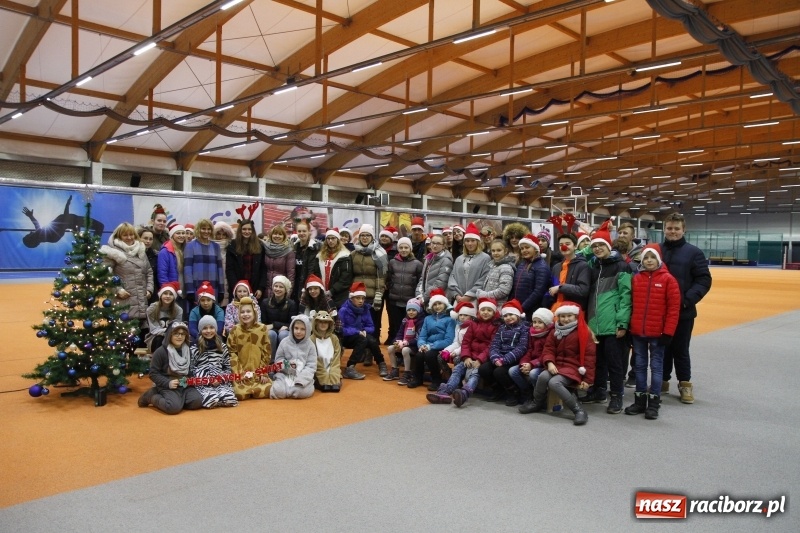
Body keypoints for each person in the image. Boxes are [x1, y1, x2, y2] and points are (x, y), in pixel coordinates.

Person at [625, 244, 681, 420]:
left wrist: (668, 332)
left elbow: (673, 309)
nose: (649, 261)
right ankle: (640, 400)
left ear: (659, 259)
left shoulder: (668, 280)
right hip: (638, 332)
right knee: (639, 366)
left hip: (658, 334)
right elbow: (631, 304)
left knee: (656, 367)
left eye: (652, 257)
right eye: (646, 258)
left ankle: (654, 402)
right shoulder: (637, 279)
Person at [660, 212, 712, 403]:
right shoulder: (657, 251)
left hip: (684, 311)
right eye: (669, 228)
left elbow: (704, 279)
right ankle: (662, 381)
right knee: (661, 348)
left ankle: (685, 384)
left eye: (676, 229)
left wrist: (686, 300)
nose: (672, 232)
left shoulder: (694, 252)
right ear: (664, 229)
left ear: (683, 230)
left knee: (680, 349)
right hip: (660, 312)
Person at [582, 221, 632, 414]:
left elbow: (626, 297)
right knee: (598, 361)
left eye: (601, 245)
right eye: (594, 246)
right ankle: (599, 390)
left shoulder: (621, 266)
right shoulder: (592, 266)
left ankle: (617, 396)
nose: (597, 249)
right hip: (595, 323)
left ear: (609, 246)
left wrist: (622, 322)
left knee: (614, 362)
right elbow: (580, 255)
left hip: (613, 323)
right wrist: (591, 241)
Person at [526, 302, 596, 426]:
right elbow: (548, 349)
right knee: (542, 376)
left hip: (574, 368)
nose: (566, 319)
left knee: (554, 382)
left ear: (576, 316)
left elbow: (590, 358)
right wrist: (549, 363)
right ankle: (537, 403)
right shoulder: (554, 331)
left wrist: (588, 379)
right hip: (557, 365)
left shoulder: (583, 332)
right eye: (562, 316)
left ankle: (578, 410)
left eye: (569, 315)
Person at [137, 322, 203, 414]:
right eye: (176, 334)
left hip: (184, 385)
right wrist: (167, 383)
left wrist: (190, 380)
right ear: (169, 335)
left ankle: (177, 400)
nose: (179, 337)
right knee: (173, 408)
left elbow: (190, 370)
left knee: (197, 401)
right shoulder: (161, 352)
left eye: (182, 334)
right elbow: (153, 373)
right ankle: (152, 396)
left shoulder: (188, 350)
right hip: (168, 385)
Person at [100, 222, 153, 334]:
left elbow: (149, 272)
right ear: (119, 236)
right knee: (124, 340)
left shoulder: (141, 250)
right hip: (123, 301)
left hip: (141, 301)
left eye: (131, 234)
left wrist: (149, 289)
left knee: (141, 339)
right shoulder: (112, 252)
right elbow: (105, 273)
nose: (129, 238)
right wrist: (118, 289)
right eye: (125, 235)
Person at [449, 297, 501, 407]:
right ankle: (446, 390)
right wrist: (466, 357)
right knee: (457, 369)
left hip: (482, 358)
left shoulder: (496, 326)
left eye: (489, 310)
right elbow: (466, 342)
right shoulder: (473, 324)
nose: (485, 312)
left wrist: (479, 359)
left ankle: (465, 393)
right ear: (479, 311)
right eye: (483, 310)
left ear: (494, 312)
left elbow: (492, 346)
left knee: (475, 374)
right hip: (470, 356)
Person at [478, 299, 530, 406]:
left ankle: (513, 392)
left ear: (518, 315)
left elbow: (522, 348)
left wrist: (505, 359)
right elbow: (494, 345)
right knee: (483, 369)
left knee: (499, 372)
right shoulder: (501, 328)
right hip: (499, 357)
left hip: (514, 358)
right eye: (505, 316)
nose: (508, 317)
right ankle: (498, 389)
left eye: (511, 314)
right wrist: (495, 357)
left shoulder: (524, 328)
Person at [350, 223, 388, 359]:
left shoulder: (380, 253)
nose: (365, 238)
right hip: (357, 294)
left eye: (367, 235)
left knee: (373, 324)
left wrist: (379, 293)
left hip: (373, 295)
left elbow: (382, 276)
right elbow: (351, 275)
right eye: (362, 235)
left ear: (372, 237)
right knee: (358, 323)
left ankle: (370, 352)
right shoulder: (354, 253)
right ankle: (361, 349)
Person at [426, 301, 474, 403]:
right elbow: (456, 342)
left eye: (465, 315)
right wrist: (447, 350)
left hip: (467, 352)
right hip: (458, 349)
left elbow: (467, 344)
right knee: (440, 356)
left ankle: (458, 384)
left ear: (471, 316)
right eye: (460, 315)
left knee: (457, 360)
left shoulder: (472, 327)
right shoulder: (458, 326)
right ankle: (448, 377)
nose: (462, 317)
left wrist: (456, 352)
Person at [227, 296, 272, 400]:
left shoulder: (262, 329)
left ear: (254, 313)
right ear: (239, 314)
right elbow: (231, 353)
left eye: (248, 311)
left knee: (268, 390)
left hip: (257, 373)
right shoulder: (234, 330)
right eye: (242, 312)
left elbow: (267, 352)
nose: (245, 314)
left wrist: (263, 372)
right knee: (239, 394)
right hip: (242, 374)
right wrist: (239, 373)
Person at [339, 282, 387, 379]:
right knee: (363, 340)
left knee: (373, 341)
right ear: (351, 298)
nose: (361, 301)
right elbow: (340, 329)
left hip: (361, 334)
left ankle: (381, 363)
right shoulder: (343, 310)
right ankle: (350, 367)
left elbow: (371, 326)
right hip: (346, 337)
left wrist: (365, 330)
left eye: (363, 298)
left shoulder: (366, 309)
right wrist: (357, 332)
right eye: (358, 298)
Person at [409, 288, 455, 390]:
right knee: (419, 354)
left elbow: (448, 339)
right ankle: (418, 378)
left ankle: (436, 380)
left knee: (430, 355)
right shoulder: (427, 319)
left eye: (440, 303)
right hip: (427, 345)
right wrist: (421, 345)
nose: (437, 306)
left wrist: (431, 346)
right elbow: (422, 336)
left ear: (445, 304)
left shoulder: (450, 320)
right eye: (435, 304)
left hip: (442, 346)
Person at [189, 315, 238, 408]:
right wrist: (205, 379)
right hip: (203, 382)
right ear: (200, 330)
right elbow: (191, 368)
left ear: (215, 329)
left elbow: (227, 367)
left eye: (211, 327)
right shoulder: (195, 348)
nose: (208, 331)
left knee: (229, 400)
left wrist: (220, 378)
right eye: (205, 328)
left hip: (220, 380)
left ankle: (222, 395)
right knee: (212, 400)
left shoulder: (222, 346)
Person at [21, 194, 105, 248]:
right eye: (29, 235)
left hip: (74, 222)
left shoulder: (42, 234)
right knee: (100, 226)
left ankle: (93, 247)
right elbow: (65, 219)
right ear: (32, 238)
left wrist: (31, 216)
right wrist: (67, 205)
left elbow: (36, 225)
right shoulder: (51, 236)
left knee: (99, 227)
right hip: (75, 221)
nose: (30, 232)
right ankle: (93, 247)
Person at [514, 308, 555, 413]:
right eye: (535, 322)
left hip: (543, 364)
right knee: (513, 371)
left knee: (533, 374)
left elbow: (547, 354)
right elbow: (529, 350)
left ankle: (540, 398)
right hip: (531, 363)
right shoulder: (532, 333)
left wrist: (531, 365)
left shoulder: (551, 334)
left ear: (546, 323)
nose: (536, 325)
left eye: (540, 322)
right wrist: (524, 363)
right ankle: (529, 394)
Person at [385, 237, 423, 345]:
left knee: (409, 327)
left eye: (406, 247)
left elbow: (420, 280)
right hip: (395, 300)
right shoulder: (392, 262)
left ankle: (407, 348)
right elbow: (388, 277)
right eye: (401, 247)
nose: (403, 250)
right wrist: (390, 286)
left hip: (409, 302)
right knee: (396, 326)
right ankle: (397, 350)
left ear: (410, 249)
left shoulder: (417, 264)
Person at [270, 315, 317, 399]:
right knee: (278, 391)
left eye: (303, 329)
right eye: (296, 328)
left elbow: (311, 366)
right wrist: (287, 365)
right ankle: (285, 390)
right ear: (292, 328)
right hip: (285, 374)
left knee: (301, 392)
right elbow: (278, 359)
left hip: (302, 377)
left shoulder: (310, 345)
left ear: (308, 330)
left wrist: (301, 378)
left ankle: (293, 390)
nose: (298, 331)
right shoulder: (284, 342)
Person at [447, 223, 492, 304]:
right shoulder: (459, 259)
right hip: (459, 299)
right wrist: (456, 295)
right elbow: (452, 277)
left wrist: (469, 295)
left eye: (472, 240)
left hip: (475, 300)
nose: (470, 243)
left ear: (477, 242)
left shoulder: (485, 258)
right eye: (467, 241)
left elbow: (484, 279)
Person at [184, 218, 224, 309]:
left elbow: (220, 269)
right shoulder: (190, 246)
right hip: (196, 287)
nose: (206, 231)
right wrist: (189, 290)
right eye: (203, 228)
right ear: (198, 229)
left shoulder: (215, 246)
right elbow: (187, 269)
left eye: (209, 229)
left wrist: (221, 290)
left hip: (213, 286)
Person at [384, 298, 425, 384]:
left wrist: (407, 343)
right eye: (409, 310)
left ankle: (407, 373)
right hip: (404, 343)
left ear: (418, 310)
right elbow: (400, 333)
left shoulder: (421, 322)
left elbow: (419, 338)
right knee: (390, 348)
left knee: (405, 350)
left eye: (414, 310)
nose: (411, 312)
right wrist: (398, 341)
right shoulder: (405, 320)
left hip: (415, 345)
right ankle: (394, 370)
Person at [226, 218, 267, 302]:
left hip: (255, 287)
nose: (247, 231)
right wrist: (236, 288)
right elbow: (230, 269)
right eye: (244, 229)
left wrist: (260, 288)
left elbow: (263, 268)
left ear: (253, 231)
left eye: (249, 229)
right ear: (240, 230)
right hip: (238, 287)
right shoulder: (232, 245)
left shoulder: (259, 245)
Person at [547, 233, 591, 313]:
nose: (564, 247)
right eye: (561, 245)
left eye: (567, 244)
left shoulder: (583, 266)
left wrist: (560, 288)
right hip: (557, 310)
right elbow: (552, 288)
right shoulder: (556, 267)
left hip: (574, 311)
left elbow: (583, 290)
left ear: (575, 246)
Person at [311, 228, 353, 308]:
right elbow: (316, 274)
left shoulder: (345, 256)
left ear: (337, 239)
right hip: (322, 294)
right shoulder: (319, 256)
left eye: (333, 238)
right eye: (328, 238)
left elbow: (345, 278)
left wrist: (332, 291)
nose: (330, 241)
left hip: (339, 296)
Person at [511, 234, 550, 319]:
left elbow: (538, 291)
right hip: (519, 308)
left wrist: (523, 307)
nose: (524, 250)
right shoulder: (522, 264)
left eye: (527, 247)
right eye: (522, 248)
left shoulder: (541, 266)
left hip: (532, 310)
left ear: (535, 248)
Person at [260, 275, 298, 361]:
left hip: (284, 330)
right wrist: (274, 326)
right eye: (276, 286)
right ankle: (270, 362)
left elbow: (292, 323)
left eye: (281, 287)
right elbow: (264, 323)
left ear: (286, 290)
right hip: (271, 330)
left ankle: (284, 361)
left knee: (284, 334)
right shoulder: (265, 302)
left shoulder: (291, 304)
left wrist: (274, 324)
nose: (277, 289)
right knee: (271, 334)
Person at [144, 282, 183, 353]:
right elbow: (154, 329)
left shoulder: (178, 310)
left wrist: (170, 334)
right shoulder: (152, 309)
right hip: (154, 337)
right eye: (165, 293)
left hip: (172, 336)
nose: (168, 296)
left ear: (174, 296)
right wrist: (167, 332)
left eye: (171, 294)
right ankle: (157, 362)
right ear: (160, 295)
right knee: (160, 339)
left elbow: (176, 327)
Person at [476, 238, 515, 307]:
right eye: (493, 251)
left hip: (498, 306)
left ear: (505, 251)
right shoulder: (493, 266)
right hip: (490, 305)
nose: (495, 253)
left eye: (499, 250)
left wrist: (485, 295)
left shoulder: (506, 267)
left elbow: (504, 290)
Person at [415, 234, 453, 305]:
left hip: (438, 302)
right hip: (426, 300)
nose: (435, 246)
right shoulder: (429, 258)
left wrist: (424, 298)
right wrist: (419, 295)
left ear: (443, 245)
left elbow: (440, 284)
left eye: (438, 243)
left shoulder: (446, 261)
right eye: (433, 243)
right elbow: (422, 279)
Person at [157, 222, 187, 313]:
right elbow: (162, 274)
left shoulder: (186, 250)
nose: (181, 235)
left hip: (184, 292)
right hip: (172, 293)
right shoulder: (165, 252)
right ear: (172, 235)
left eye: (183, 233)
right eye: (178, 233)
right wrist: (168, 292)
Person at [311, 310, 342, 392]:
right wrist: (323, 377)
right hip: (318, 369)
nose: (323, 324)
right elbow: (314, 359)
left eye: (326, 322)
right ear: (316, 323)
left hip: (332, 367)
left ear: (330, 324)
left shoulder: (334, 338)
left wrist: (334, 374)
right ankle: (323, 381)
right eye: (320, 322)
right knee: (324, 384)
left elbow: (336, 357)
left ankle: (333, 379)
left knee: (335, 384)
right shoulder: (312, 339)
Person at [263, 224, 296, 300]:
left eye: (280, 234)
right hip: (266, 289)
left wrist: (288, 293)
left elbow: (291, 274)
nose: (277, 236)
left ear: (284, 236)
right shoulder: (265, 248)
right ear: (271, 235)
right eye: (275, 234)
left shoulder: (289, 251)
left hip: (280, 290)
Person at [291, 221, 321, 301]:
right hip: (296, 284)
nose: (301, 233)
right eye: (299, 231)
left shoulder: (315, 248)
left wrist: (307, 287)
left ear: (309, 232)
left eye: (304, 231)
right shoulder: (294, 247)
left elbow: (312, 270)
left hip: (309, 284)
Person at [212, 221, 235, 306]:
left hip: (228, 281)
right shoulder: (210, 247)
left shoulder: (231, 248)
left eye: (224, 234)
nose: (221, 237)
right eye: (218, 234)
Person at [137, 227, 160, 303]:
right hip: (137, 292)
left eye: (150, 239)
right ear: (139, 238)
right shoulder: (133, 254)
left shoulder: (156, 255)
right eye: (145, 238)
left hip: (152, 292)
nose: (148, 241)